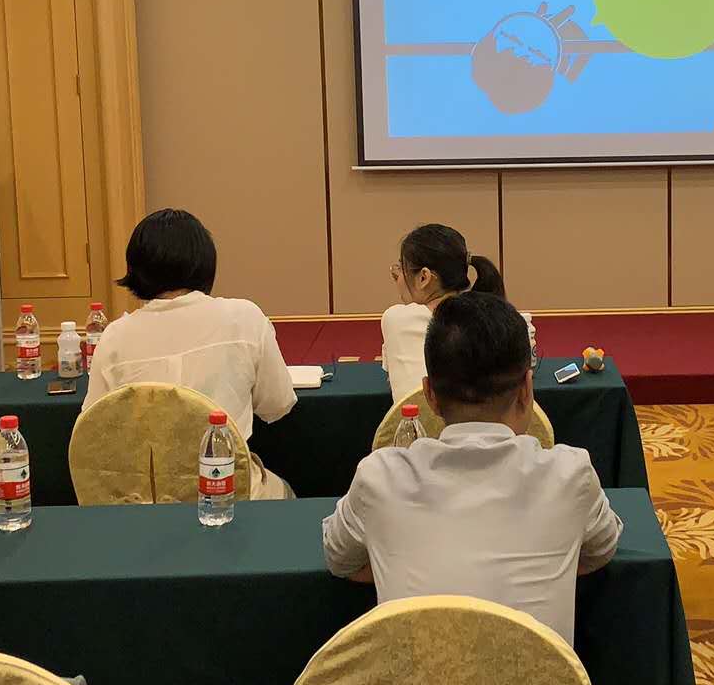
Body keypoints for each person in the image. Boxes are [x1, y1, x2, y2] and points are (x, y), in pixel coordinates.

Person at [324, 292, 621, 646]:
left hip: (415, 682)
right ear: (527, 389)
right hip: (544, 683)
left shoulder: (379, 477)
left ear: (429, 395)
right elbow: (601, 550)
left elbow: (340, 560)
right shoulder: (571, 474)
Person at [87, 209, 297, 460]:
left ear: (135, 269)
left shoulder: (114, 337)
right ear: (205, 263)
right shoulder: (244, 318)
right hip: (227, 480)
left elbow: (93, 430)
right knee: (282, 484)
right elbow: (277, 404)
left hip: (145, 484)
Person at [382, 223, 510, 404]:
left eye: (401, 269)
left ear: (424, 278)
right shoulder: (494, 318)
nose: (397, 278)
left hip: (417, 422)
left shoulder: (395, 318)